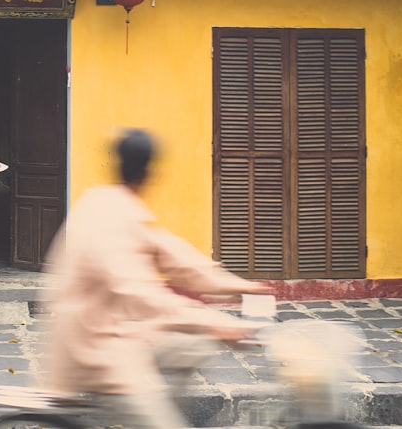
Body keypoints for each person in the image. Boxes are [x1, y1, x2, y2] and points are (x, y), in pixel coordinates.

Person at [41, 128, 269, 429]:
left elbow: (180, 261)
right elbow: (141, 294)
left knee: (195, 344)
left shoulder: (119, 204)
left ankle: (154, 402)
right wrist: (214, 321)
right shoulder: (106, 216)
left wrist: (243, 286)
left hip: (122, 334)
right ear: (150, 173)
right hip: (96, 350)